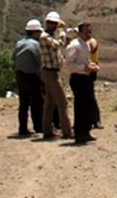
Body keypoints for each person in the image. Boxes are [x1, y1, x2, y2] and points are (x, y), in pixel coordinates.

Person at [64, 21, 100, 145]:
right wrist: (84, 67)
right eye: (86, 31)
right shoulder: (75, 45)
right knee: (80, 106)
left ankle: (86, 131)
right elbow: (69, 63)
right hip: (78, 78)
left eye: (90, 31)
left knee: (88, 105)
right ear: (79, 32)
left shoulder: (86, 44)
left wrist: (90, 65)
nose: (88, 33)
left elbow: (85, 59)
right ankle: (79, 133)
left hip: (85, 77)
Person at [39, 11, 72, 140]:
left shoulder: (49, 35)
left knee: (50, 102)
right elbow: (57, 45)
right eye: (52, 23)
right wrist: (62, 31)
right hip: (50, 72)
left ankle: (47, 130)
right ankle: (67, 132)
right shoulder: (44, 37)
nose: (53, 25)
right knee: (62, 102)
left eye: (55, 23)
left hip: (51, 72)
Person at [12, 19, 44, 137]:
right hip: (32, 76)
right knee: (37, 101)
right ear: (35, 32)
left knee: (23, 103)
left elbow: (13, 57)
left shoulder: (19, 43)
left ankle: (23, 128)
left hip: (20, 74)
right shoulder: (35, 45)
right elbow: (40, 60)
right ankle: (39, 126)